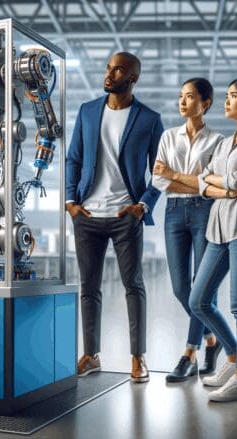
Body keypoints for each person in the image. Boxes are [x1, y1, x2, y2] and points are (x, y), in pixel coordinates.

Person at [66, 52, 164, 383]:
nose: (110, 73)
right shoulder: (88, 111)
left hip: (126, 216)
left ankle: (138, 358)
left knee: (133, 286)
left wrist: (143, 206)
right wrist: (70, 201)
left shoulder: (149, 119)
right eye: (109, 66)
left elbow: (161, 173)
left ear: (133, 77)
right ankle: (91, 355)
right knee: (88, 288)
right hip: (87, 214)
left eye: (118, 69)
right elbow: (73, 159)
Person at [187, 77, 237, 402]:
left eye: (234, 96)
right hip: (218, 229)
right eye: (226, 95)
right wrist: (223, 186)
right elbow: (204, 179)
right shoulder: (223, 142)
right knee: (198, 300)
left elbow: (235, 179)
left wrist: (217, 182)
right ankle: (233, 354)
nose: (226, 101)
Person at [151, 78, 225, 382]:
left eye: (190, 96)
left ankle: (189, 353)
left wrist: (175, 175)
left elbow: (213, 182)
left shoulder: (218, 141)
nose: (183, 101)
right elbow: (158, 179)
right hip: (173, 213)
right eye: (181, 96)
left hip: (204, 212)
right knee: (182, 288)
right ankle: (213, 338)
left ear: (205, 103)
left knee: (202, 287)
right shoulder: (169, 137)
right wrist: (191, 180)